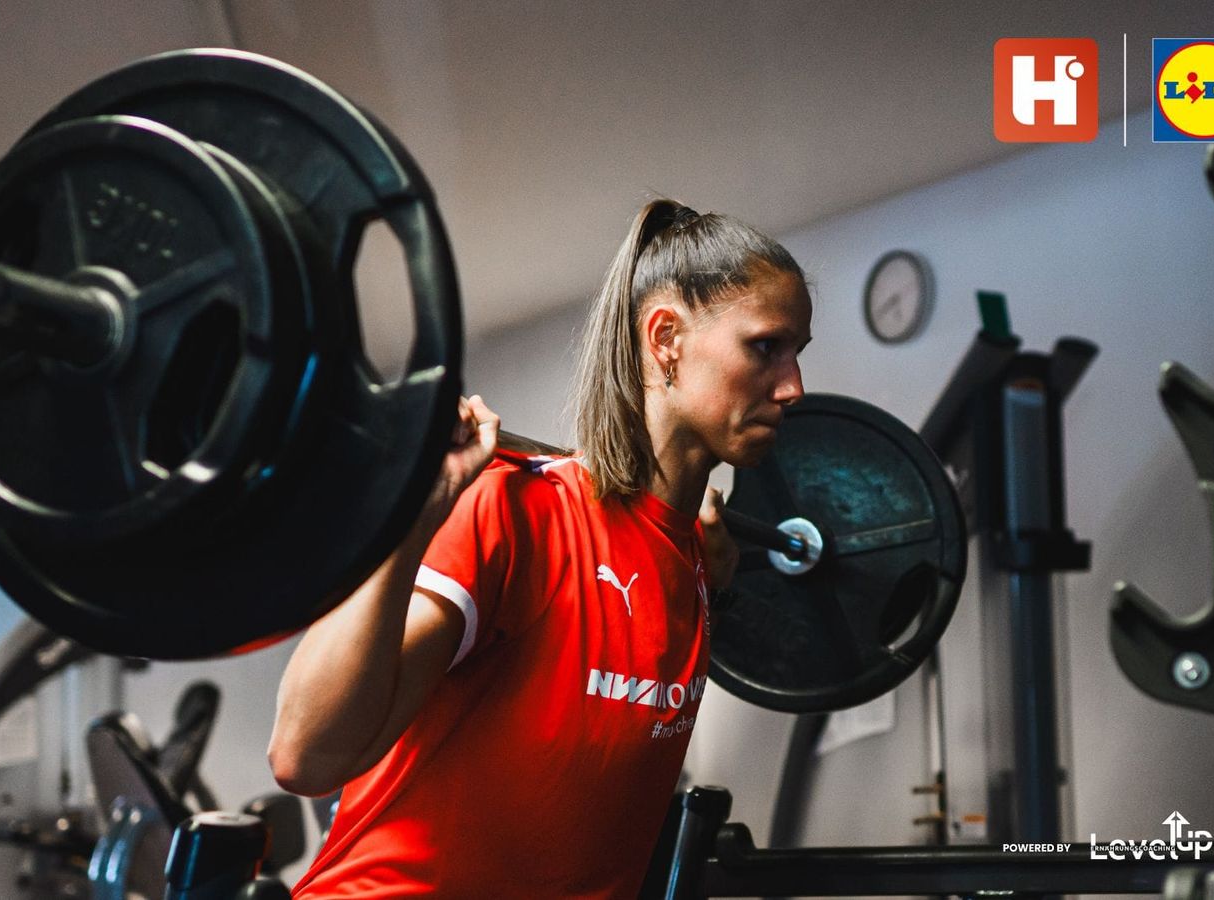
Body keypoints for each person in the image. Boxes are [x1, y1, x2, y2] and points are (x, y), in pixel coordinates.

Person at [269, 198, 812, 898]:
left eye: (798, 354)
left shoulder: (698, 561)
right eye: (766, 347)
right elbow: (306, 754)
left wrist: (719, 585)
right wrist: (410, 522)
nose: (794, 386)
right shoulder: (516, 511)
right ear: (666, 337)